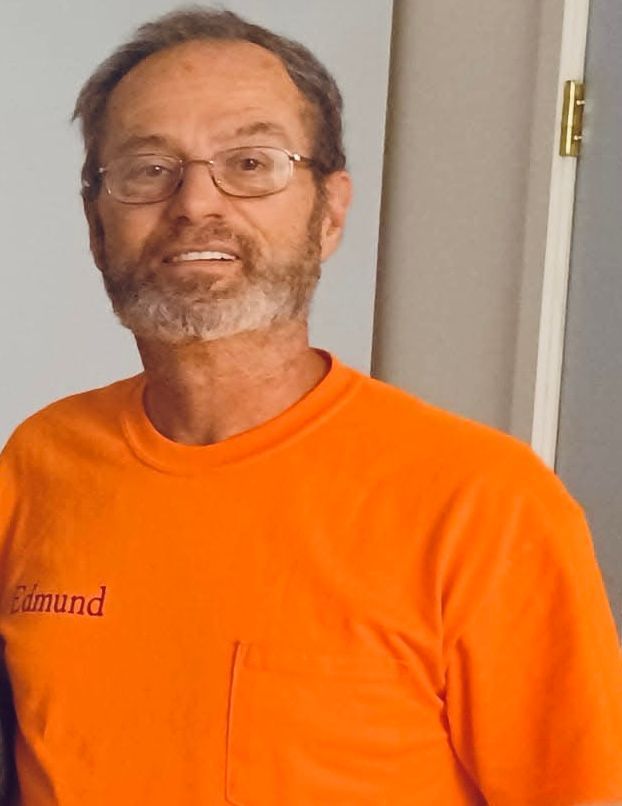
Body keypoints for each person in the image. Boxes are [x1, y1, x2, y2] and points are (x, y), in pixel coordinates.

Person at [0, 6, 621, 805]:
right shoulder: (38, 461)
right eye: (148, 169)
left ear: (329, 213)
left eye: (251, 163)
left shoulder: (484, 504)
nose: (196, 204)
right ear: (96, 225)